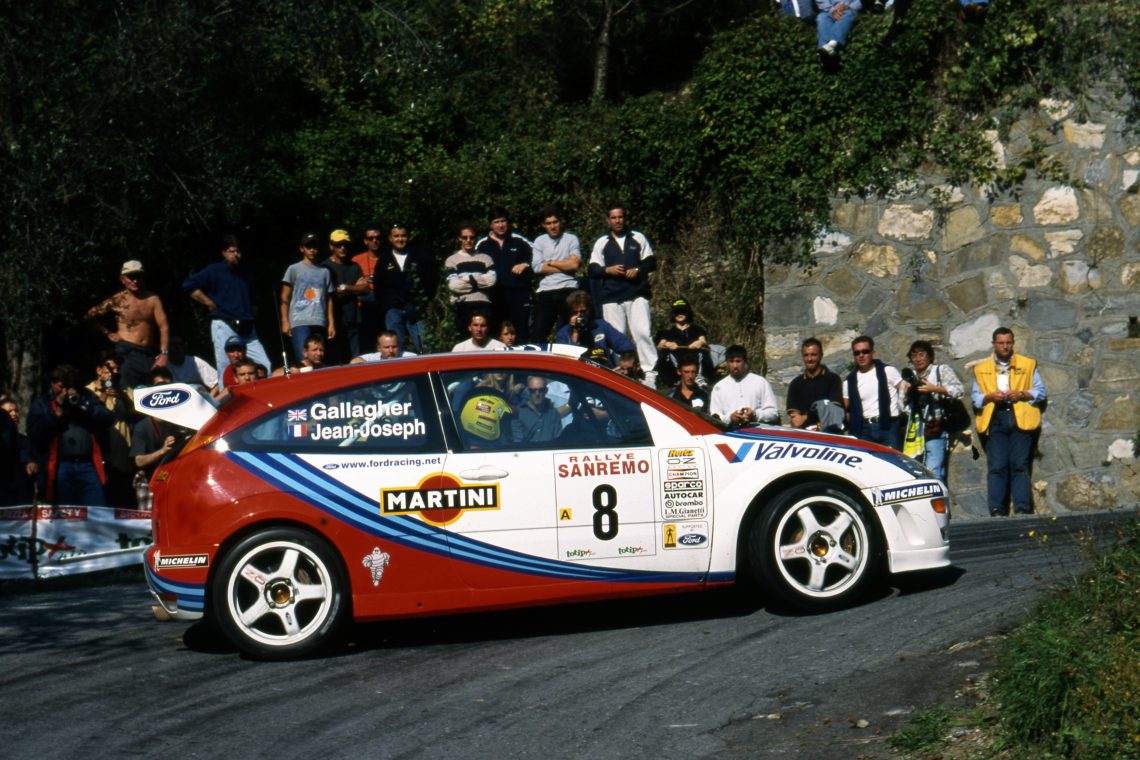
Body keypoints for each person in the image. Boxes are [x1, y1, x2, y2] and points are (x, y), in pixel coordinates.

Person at [972, 327, 1046, 516]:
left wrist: (1021, 394)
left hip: (1020, 418)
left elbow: (1040, 392)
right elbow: (976, 398)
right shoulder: (981, 369)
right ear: (994, 344)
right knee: (997, 466)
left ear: (1013, 343)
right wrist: (990, 397)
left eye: (1008, 342)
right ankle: (997, 510)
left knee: (1020, 465)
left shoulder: (1027, 364)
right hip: (995, 418)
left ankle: (1022, 509)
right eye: (1001, 343)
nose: (1005, 346)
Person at [183, 234, 272, 385]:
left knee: (264, 366)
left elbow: (255, 298)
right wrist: (208, 302)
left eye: (238, 251)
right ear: (224, 253)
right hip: (224, 324)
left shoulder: (246, 272)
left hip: (247, 327)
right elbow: (188, 285)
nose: (236, 255)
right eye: (231, 251)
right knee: (226, 370)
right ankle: (228, 399)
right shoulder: (214, 270)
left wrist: (252, 314)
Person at [588, 204, 658, 385]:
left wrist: (638, 269)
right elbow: (593, 269)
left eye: (620, 217)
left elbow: (651, 262)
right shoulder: (602, 242)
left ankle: (649, 373)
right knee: (617, 336)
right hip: (612, 297)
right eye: (613, 218)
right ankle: (622, 373)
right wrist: (608, 270)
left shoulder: (637, 237)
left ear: (624, 218)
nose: (617, 221)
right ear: (608, 220)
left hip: (637, 293)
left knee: (643, 332)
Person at [26, 364, 115, 505]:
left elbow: (108, 418)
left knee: (96, 509)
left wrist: (84, 405)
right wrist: (56, 412)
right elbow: (35, 434)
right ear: (52, 383)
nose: (65, 391)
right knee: (65, 511)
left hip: (88, 465)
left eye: (68, 387)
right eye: (61, 387)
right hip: (60, 466)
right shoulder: (42, 402)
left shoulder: (85, 395)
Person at [85, 260, 170, 388]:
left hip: (148, 354)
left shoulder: (153, 299)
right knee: (126, 390)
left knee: (150, 391)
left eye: (138, 276)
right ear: (122, 279)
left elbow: (164, 326)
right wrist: (107, 333)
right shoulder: (117, 300)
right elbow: (89, 316)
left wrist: (164, 354)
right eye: (131, 277)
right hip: (126, 352)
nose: (135, 281)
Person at [901, 340, 965, 482]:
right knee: (916, 471)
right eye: (914, 356)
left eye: (921, 354)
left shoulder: (940, 371)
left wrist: (935, 389)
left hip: (935, 427)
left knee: (934, 470)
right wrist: (907, 394)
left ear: (929, 356)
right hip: (915, 431)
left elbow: (959, 390)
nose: (918, 359)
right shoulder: (909, 377)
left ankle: (936, 494)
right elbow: (902, 407)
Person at [130, 368, 190, 505]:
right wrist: (162, 451)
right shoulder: (142, 426)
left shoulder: (182, 421)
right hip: (150, 479)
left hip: (175, 477)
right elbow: (139, 461)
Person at [374, 223, 436, 354]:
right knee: (394, 349)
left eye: (403, 236)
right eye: (396, 236)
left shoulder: (420, 257)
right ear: (390, 238)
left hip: (417, 308)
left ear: (408, 237)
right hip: (393, 310)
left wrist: (421, 303)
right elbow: (378, 287)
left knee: (425, 346)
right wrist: (388, 306)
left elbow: (431, 282)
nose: (400, 239)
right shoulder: (384, 260)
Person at [85, 352, 135, 507]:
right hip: (98, 455)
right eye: (111, 368)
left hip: (122, 455)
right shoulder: (88, 391)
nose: (115, 372)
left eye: (117, 369)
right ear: (99, 370)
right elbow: (93, 415)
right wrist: (105, 394)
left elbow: (136, 414)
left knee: (122, 500)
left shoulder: (125, 390)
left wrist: (121, 396)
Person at [477, 208, 533, 343]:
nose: (501, 225)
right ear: (490, 225)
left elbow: (537, 257)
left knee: (521, 331)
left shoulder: (519, 241)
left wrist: (525, 264)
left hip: (518, 294)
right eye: (496, 222)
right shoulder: (482, 245)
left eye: (503, 221)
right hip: (493, 295)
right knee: (494, 332)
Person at [843, 335, 906, 449]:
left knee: (891, 459)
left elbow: (905, 391)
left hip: (888, 426)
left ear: (873, 353)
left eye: (865, 351)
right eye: (857, 353)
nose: (861, 355)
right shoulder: (849, 381)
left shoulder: (888, 371)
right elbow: (845, 407)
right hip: (864, 430)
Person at [280, 232, 335, 362]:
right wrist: (285, 321)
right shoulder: (294, 269)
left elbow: (329, 299)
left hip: (319, 320)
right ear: (302, 248)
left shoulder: (325, 271)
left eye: (315, 247)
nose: (312, 250)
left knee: (318, 358)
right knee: (304, 358)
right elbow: (284, 297)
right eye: (308, 247)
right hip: (299, 321)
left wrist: (331, 323)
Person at [530, 207, 582, 343]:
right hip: (546, 290)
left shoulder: (571, 239)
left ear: (560, 222)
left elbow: (575, 265)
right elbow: (537, 267)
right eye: (549, 223)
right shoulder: (539, 241)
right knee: (538, 334)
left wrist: (551, 262)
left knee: (569, 332)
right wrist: (566, 265)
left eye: (555, 222)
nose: (553, 226)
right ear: (543, 225)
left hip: (568, 289)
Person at [444, 222, 497, 339]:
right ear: (459, 238)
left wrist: (467, 279)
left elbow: (492, 280)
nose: (468, 240)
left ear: (475, 238)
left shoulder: (486, 258)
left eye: (471, 237)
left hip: (484, 304)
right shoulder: (452, 260)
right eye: (464, 237)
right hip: (462, 305)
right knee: (464, 341)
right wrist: (479, 281)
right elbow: (454, 285)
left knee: (484, 341)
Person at [554, 290, 634, 368]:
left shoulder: (600, 325)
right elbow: (566, 359)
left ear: (589, 310)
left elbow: (622, 342)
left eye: (583, 312)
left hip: (603, 370)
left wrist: (627, 357)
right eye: (575, 312)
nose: (579, 316)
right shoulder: (563, 333)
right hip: (579, 370)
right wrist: (575, 331)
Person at [322, 229, 368, 364]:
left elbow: (365, 289)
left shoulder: (354, 266)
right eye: (338, 245)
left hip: (353, 318)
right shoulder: (325, 267)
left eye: (345, 244)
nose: (343, 248)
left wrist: (345, 287)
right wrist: (354, 288)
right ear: (331, 246)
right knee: (337, 360)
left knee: (356, 359)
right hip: (334, 321)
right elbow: (330, 293)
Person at [709, 345, 779, 428]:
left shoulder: (760, 382)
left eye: (738, 361)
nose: (735, 366)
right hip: (731, 432)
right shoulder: (719, 387)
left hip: (757, 431)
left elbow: (773, 413)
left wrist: (755, 414)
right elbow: (715, 417)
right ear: (727, 362)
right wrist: (730, 418)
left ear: (745, 362)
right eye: (731, 361)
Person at [786, 337, 843, 430]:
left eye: (813, 355)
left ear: (821, 355)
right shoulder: (795, 384)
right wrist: (797, 419)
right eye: (806, 355)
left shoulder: (833, 380)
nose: (809, 359)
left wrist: (805, 417)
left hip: (827, 431)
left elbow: (832, 410)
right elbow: (795, 417)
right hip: (804, 433)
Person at [654, 297, 713, 386]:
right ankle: (679, 378)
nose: (679, 314)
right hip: (676, 364)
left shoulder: (697, 329)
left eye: (682, 311)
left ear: (688, 313)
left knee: (702, 350)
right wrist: (667, 344)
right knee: (667, 353)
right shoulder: (668, 332)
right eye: (676, 312)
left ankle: (699, 377)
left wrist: (699, 343)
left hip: (695, 360)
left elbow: (703, 340)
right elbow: (660, 345)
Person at [353, 222, 387, 352]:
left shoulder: (388, 258)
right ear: (365, 241)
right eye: (371, 238)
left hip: (383, 306)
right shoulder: (357, 260)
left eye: (377, 238)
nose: (374, 241)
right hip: (363, 308)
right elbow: (353, 285)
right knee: (366, 346)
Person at [0, 397, 37, 505]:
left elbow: (25, 454)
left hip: (20, 493)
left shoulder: (24, 440)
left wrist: (29, 462)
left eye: (16, 410)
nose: (14, 414)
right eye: (8, 412)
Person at [511, 376, 562, 443]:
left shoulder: (554, 414)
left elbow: (558, 441)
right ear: (528, 391)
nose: (537, 394)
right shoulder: (519, 413)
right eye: (533, 390)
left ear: (546, 390)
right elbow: (517, 442)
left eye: (541, 390)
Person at [816, 0, 861, 68]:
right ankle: (826, 51)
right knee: (822, 17)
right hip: (830, 10)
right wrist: (832, 10)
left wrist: (847, 7)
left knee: (849, 14)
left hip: (849, 9)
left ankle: (830, 46)